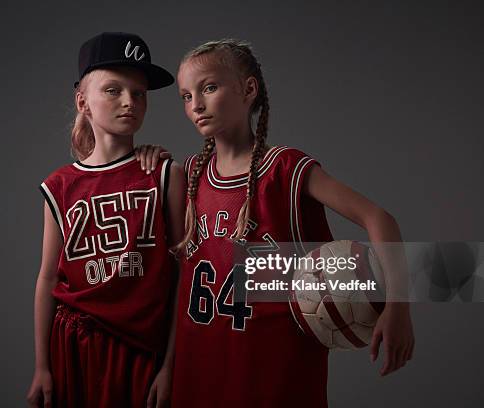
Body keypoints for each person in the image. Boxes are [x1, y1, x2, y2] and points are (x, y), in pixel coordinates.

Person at [164, 39, 414, 407]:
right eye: (186, 96)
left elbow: (379, 219)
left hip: (274, 375)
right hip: (199, 368)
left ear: (248, 89)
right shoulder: (189, 177)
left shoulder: (286, 170)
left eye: (209, 88)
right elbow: (175, 284)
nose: (196, 105)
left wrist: (398, 308)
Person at [26, 32, 185, 408]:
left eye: (140, 93)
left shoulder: (163, 174)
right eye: (113, 90)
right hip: (75, 346)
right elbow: (49, 276)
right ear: (83, 101)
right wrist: (42, 365)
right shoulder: (60, 185)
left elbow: (184, 272)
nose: (130, 102)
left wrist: (170, 365)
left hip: (142, 348)